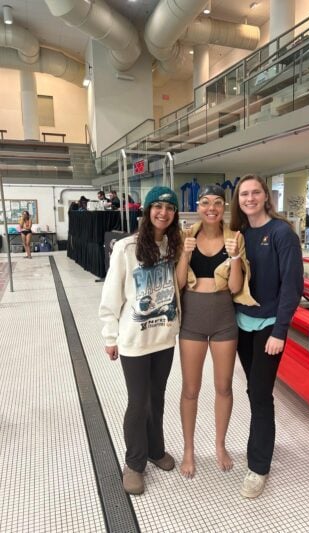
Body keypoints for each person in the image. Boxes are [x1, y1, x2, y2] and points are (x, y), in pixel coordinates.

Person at [99, 186, 182, 496]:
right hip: (134, 340)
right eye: (157, 207)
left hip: (164, 338)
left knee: (157, 398)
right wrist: (110, 336)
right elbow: (111, 295)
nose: (163, 212)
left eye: (169, 208)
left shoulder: (174, 246)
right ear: (147, 211)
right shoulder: (126, 247)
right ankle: (134, 463)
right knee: (138, 402)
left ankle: (155, 449)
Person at [230, 174, 304, 499]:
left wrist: (280, 331)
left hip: (268, 328)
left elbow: (292, 286)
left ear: (265, 196)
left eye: (255, 192)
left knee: (261, 395)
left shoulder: (280, 233)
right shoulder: (241, 233)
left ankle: (258, 467)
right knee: (252, 390)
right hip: (242, 325)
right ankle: (261, 447)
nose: (249, 198)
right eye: (244, 194)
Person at [176, 184, 257, 479]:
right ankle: (188, 449)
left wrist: (235, 257)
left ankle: (220, 445)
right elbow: (180, 283)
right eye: (206, 202)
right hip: (192, 321)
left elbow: (235, 287)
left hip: (224, 319)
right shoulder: (186, 236)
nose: (212, 208)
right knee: (190, 389)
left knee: (224, 387)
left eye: (218, 203)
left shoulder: (235, 238)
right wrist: (185, 255)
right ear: (198, 206)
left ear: (224, 208)